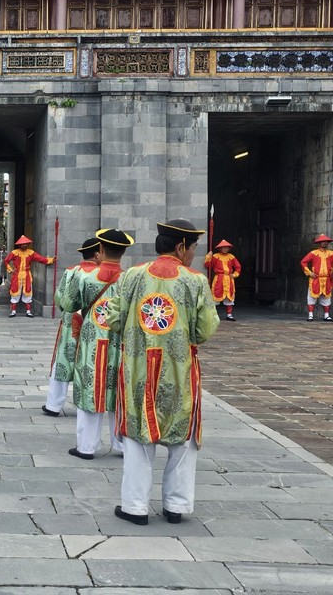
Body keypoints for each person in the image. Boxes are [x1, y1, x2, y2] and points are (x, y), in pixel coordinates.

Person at [106, 219, 219, 526]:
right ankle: (177, 505)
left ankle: (135, 506)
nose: (194, 254)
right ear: (181, 246)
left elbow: (113, 319)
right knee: (182, 441)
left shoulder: (131, 276)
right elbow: (205, 328)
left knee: (138, 438)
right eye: (194, 247)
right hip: (178, 371)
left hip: (138, 369)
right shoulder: (195, 281)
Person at [60, 229, 133, 459]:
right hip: (120, 342)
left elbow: (68, 304)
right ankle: (122, 445)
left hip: (92, 342)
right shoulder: (130, 279)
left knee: (90, 389)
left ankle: (87, 447)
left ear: (100, 250)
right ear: (123, 252)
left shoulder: (85, 277)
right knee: (119, 391)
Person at [43, 237, 101, 417]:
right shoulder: (102, 273)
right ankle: (90, 402)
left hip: (71, 322)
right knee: (91, 361)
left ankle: (53, 404)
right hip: (95, 324)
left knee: (63, 360)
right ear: (98, 254)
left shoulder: (71, 271)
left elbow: (59, 299)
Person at [4, 235, 56, 317]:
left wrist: (51, 260)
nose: (24, 245)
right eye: (22, 244)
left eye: (26, 244)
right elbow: (6, 261)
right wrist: (11, 270)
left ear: (28, 244)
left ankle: (28, 311)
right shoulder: (14, 252)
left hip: (27, 275)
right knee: (15, 292)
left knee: (28, 292)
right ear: (19, 245)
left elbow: (40, 259)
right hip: (17, 275)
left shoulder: (31, 252)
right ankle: (13, 311)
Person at [204, 239, 241, 322]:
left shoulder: (231, 257)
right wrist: (208, 257)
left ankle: (229, 315)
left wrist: (234, 275)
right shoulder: (215, 256)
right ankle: (214, 315)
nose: (225, 249)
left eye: (226, 248)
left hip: (229, 279)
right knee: (215, 296)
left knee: (229, 297)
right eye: (223, 248)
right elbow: (207, 265)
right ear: (220, 248)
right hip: (219, 279)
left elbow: (238, 267)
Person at [300, 234, 333, 322]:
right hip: (316, 278)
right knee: (311, 296)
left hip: (327, 279)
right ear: (319, 243)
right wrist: (310, 273)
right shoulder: (313, 253)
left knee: (326, 297)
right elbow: (303, 262)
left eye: (326, 241)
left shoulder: (331, 253)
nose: (325, 243)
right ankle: (310, 315)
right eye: (323, 241)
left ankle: (326, 315)